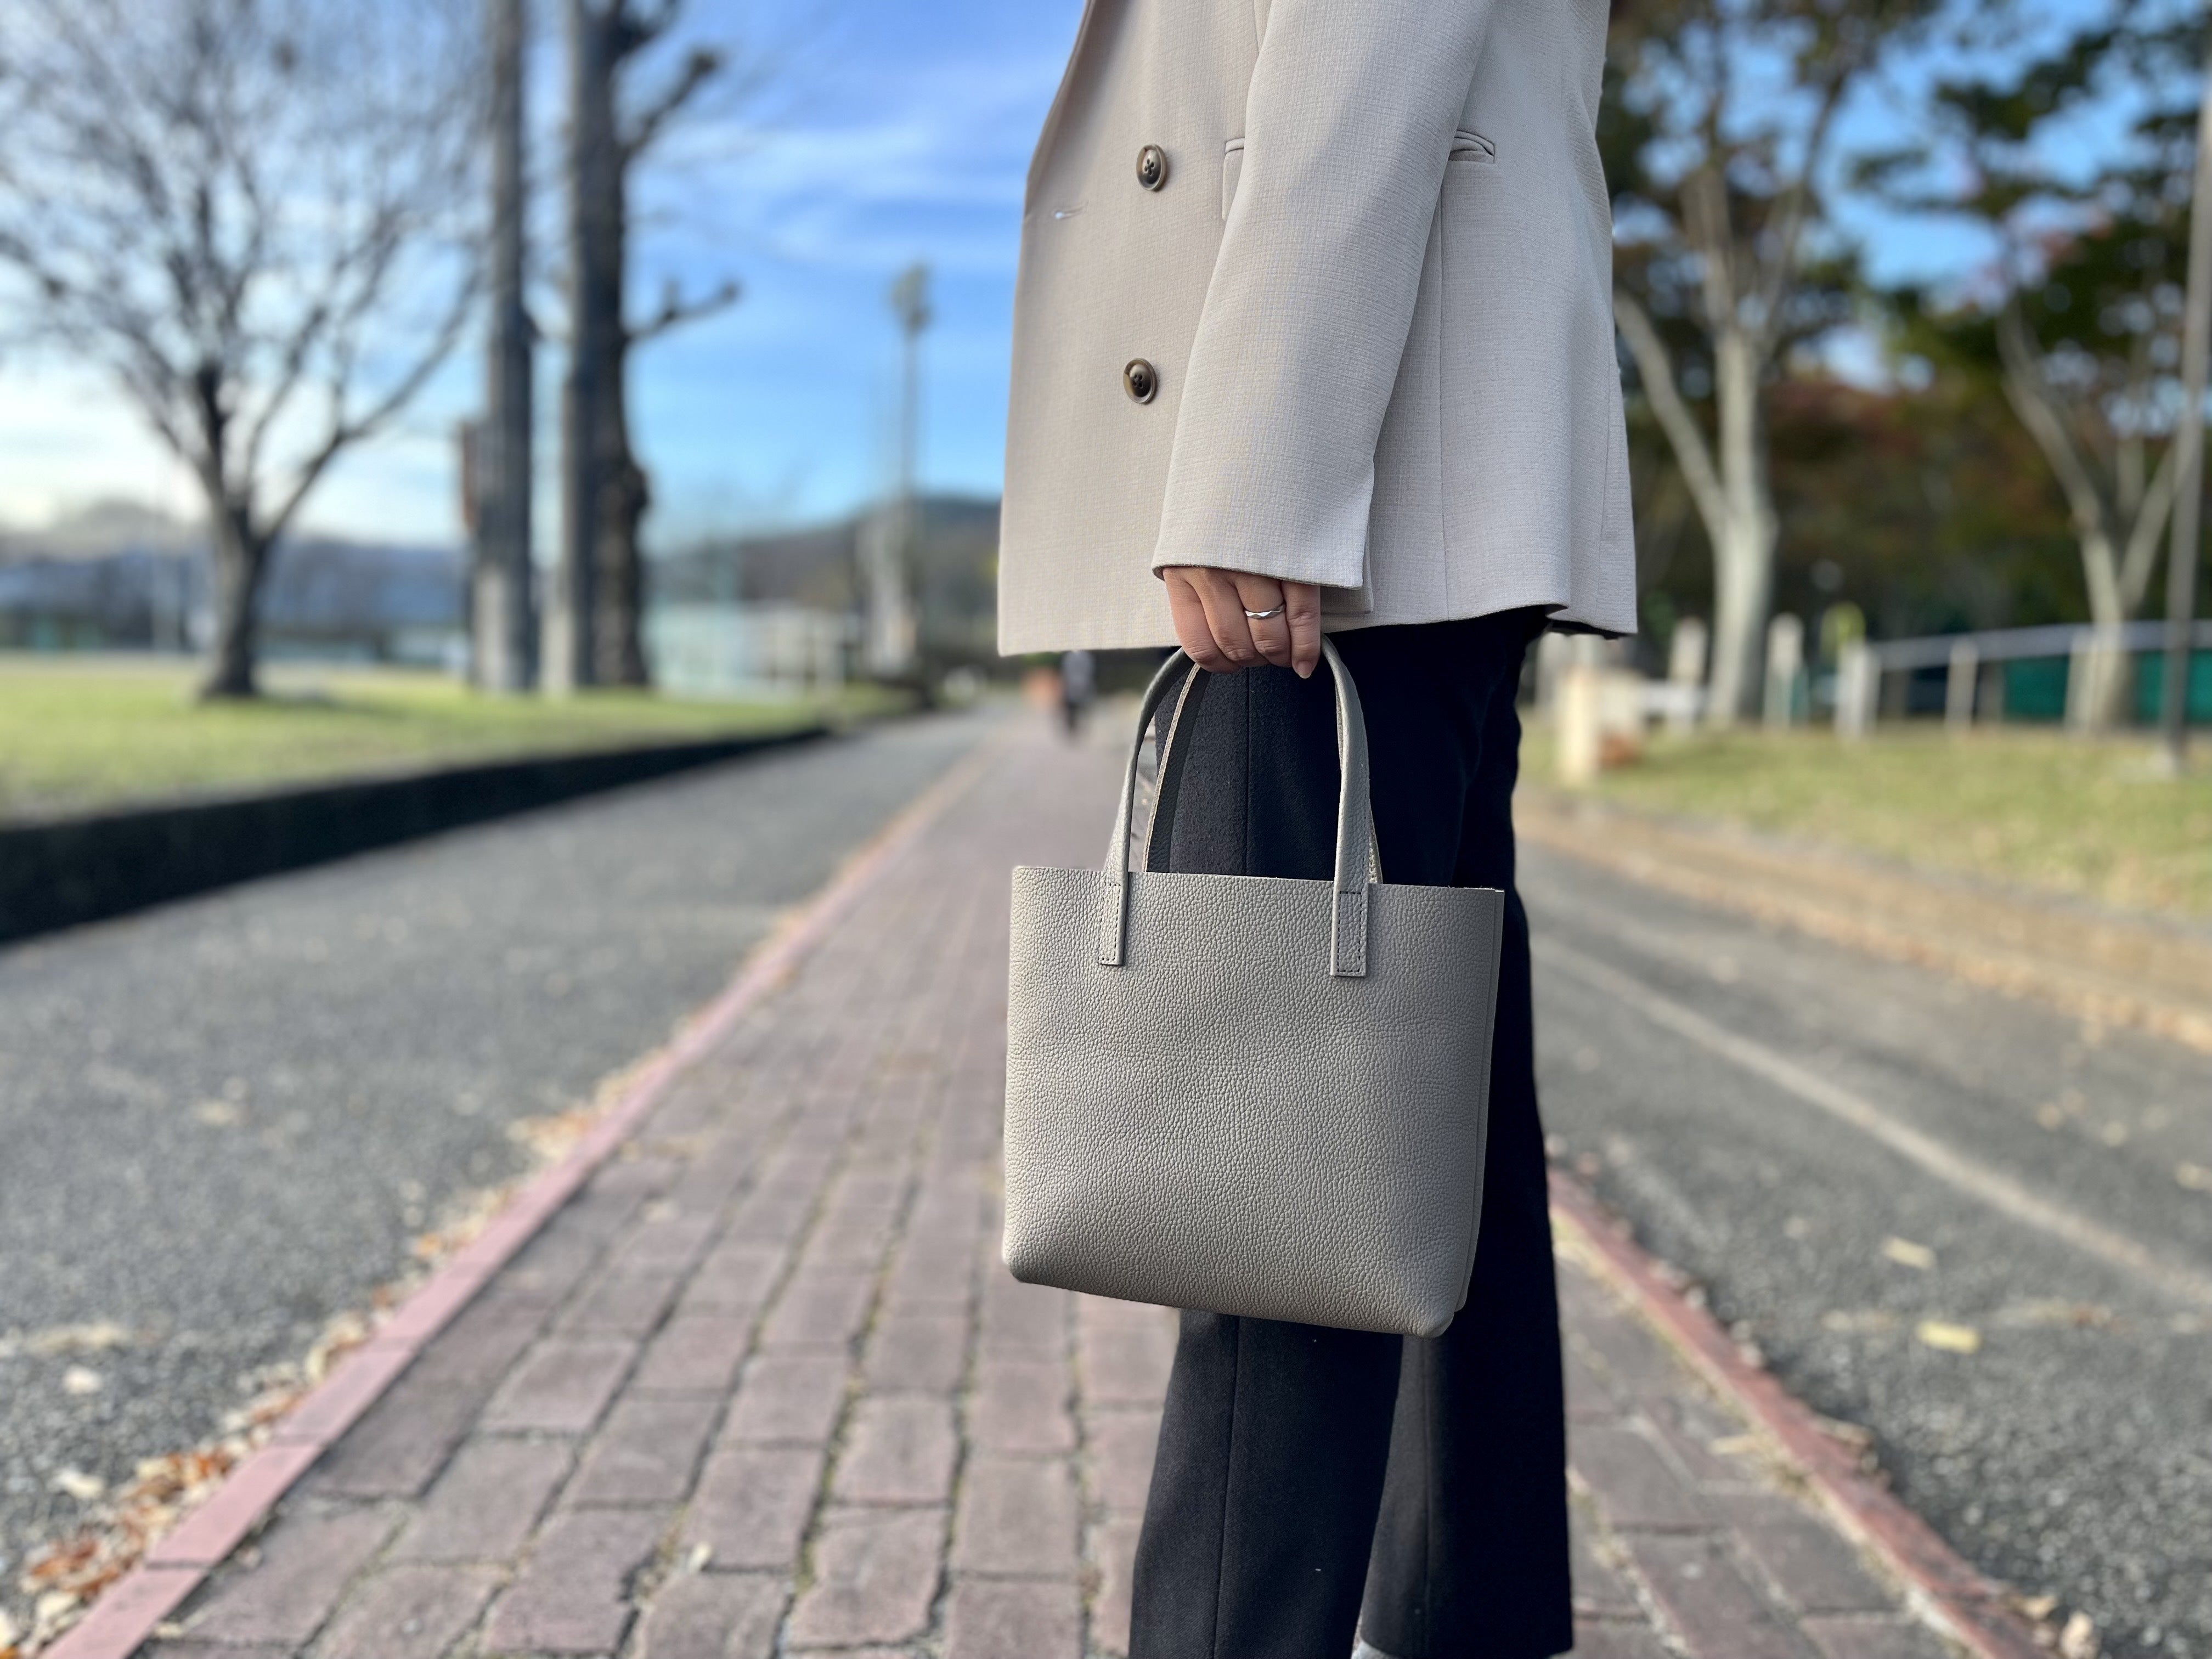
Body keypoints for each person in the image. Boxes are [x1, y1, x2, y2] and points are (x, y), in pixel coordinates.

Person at [996, 2, 1635, 1656]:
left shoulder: (1288, 472)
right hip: (1419, 460)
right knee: (1424, 1101)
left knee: (1274, 1173)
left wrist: (1259, 459)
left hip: (1341, 470)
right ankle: (1467, 1621)